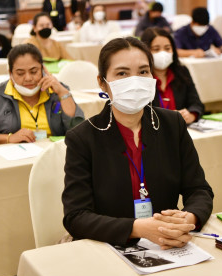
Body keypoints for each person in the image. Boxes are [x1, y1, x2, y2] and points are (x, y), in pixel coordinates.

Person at [62, 37, 213, 248]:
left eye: (143, 72)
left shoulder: (172, 124)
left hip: (168, 243)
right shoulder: (83, 137)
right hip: (108, 245)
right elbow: (76, 216)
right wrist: (138, 228)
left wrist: (190, 218)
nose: (134, 80)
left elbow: (198, 190)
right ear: (102, 82)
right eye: (122, 73)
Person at [0, 44, 84, 147]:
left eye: (34, 71)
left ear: (43, 70)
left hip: (53, 157)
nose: (28, 78)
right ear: (10, 73)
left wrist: (63, 93)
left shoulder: (56, 91)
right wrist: (9, 138)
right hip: (13, 162)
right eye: (20, 73)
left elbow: (78, 130)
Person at [141, 27, 204, 124]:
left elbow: (196, 103)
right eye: (156, 49)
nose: (163, 53)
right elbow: (139, 114)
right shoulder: (140, 79)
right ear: (145, 51)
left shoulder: (182, 72)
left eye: (167, 48)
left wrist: (191, 114)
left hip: (182, 130)